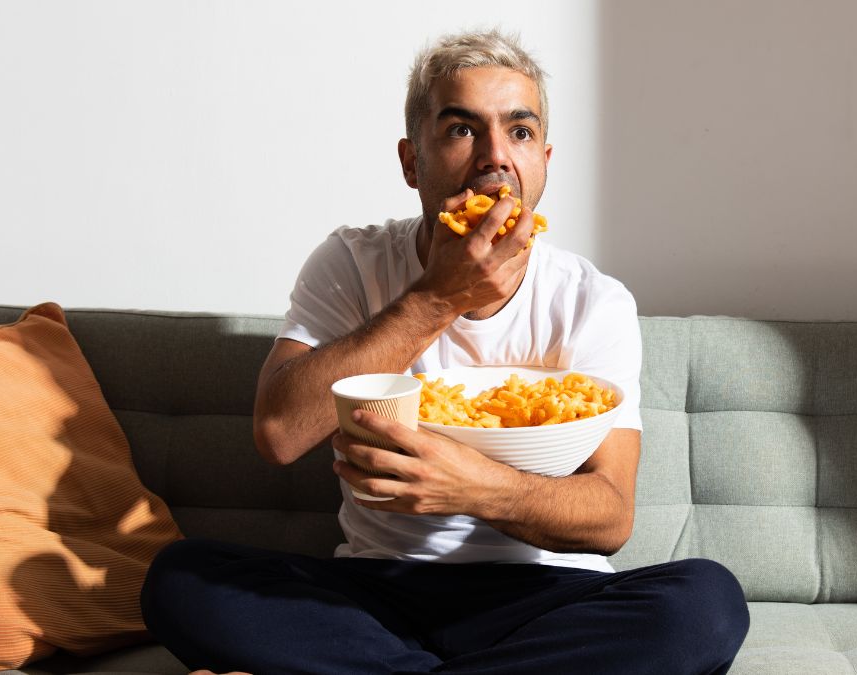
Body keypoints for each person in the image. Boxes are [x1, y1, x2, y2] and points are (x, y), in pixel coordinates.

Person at [141, 29, 749, 674]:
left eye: (518, 133)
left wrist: (479, 489)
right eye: (461, 130)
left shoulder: (593, 300)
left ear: (544, 158)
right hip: (377, 594)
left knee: (705, 603)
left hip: (548, 601)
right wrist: (437, 297)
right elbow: (280, 433)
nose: (495, 156)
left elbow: (608, 519)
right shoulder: (352, 261)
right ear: (411, 162)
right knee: (182, 578)